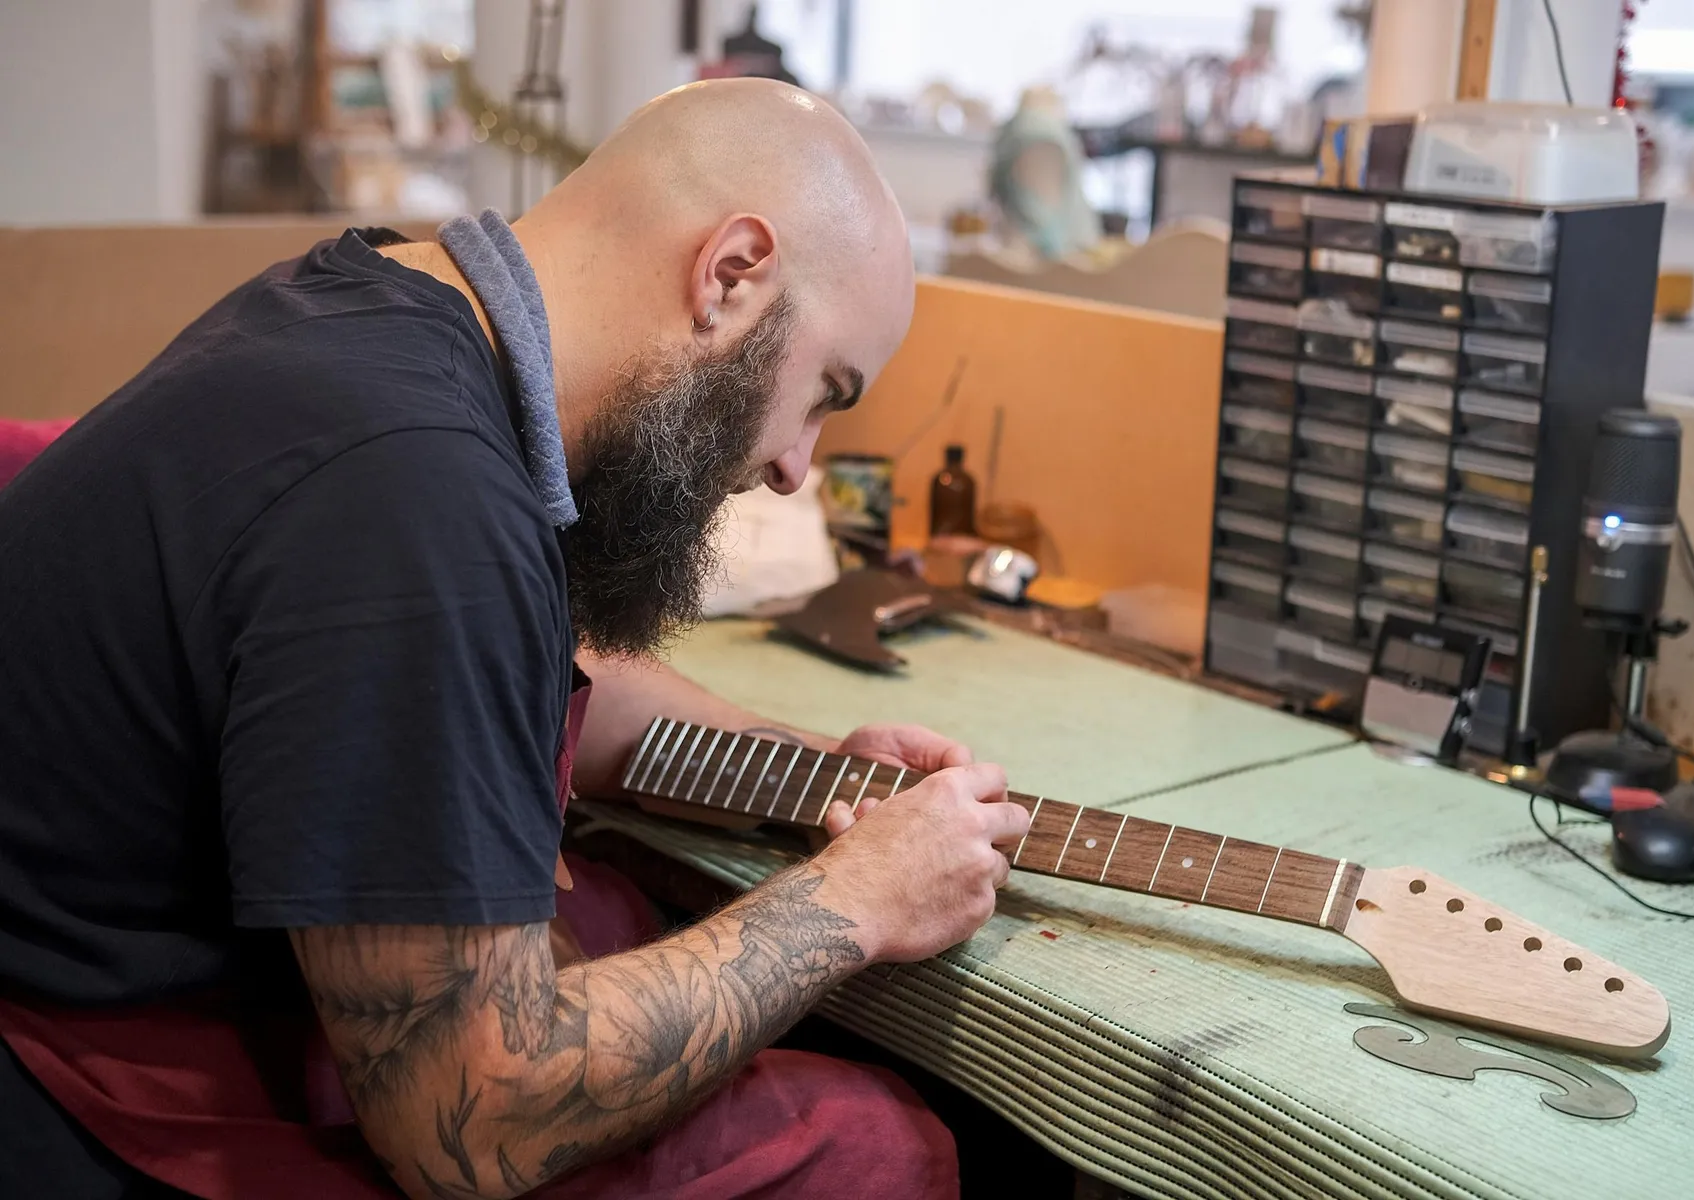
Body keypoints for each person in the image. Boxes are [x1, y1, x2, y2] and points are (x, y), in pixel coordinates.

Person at [0, 79, 1031, 1200]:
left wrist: (812, 772)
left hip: (102, 964)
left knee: (612, 914)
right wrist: (854, 903)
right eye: (824, 392)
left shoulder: (372, 306)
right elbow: (466, 1124)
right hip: (83, 1093)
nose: (796, 465)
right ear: (731, 274)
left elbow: (519, 672)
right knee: (874, 1146)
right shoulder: (418, 491)